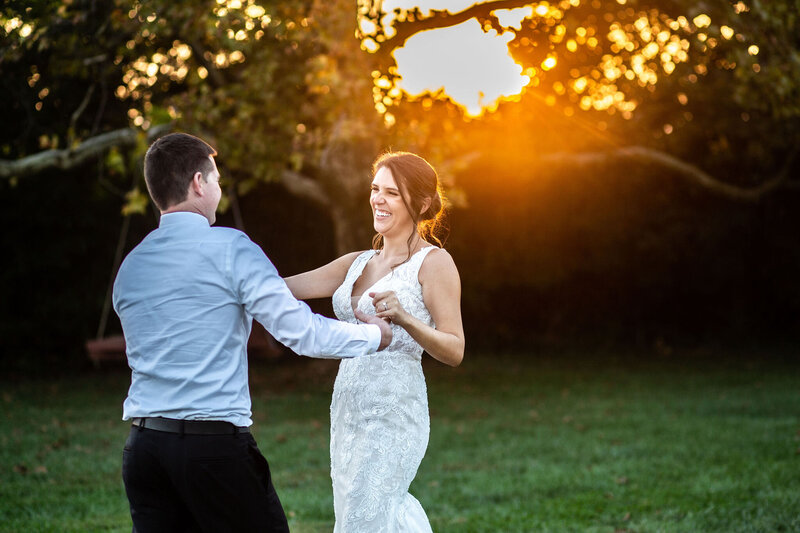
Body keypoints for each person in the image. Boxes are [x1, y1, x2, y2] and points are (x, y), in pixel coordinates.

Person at [112, 132, 393, 532]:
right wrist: (373, 337)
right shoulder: (231, 248)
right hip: (212, 449)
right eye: (216, 180)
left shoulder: (132, 266)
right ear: (197, 183)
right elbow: (299, 331)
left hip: (143, 451)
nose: (219, 188)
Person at [284, 151, 465, 532]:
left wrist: (405, 318)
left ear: (421, 203)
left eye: (392, 193)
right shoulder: (356, 263)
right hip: (348, 408)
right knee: (361, 513)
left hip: (394, 411)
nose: (377, 200)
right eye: (374, 189)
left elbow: (454, 349)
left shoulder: (435, 263)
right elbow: (279, 290)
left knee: (366, 517)